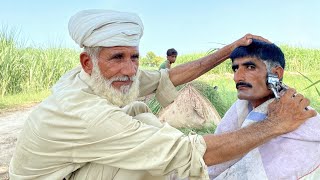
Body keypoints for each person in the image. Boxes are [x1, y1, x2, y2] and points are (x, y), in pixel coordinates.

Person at [9, 9, 316, 180]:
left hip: (73, 165)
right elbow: (189, 153)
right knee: (150, 151)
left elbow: (164, 79)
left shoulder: (95, 79)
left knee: (141, 114)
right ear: (88, 62)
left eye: (135, 57)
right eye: (117, 57)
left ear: (276, 74)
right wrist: (275, 124)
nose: (129, 70)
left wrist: (225, 52)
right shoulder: (83, 112)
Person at [208, 39, 320, 179]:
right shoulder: (240, 108)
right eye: (235, 68)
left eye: (250, 67)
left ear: (276, 74)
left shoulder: (300, 120)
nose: (237, 77)